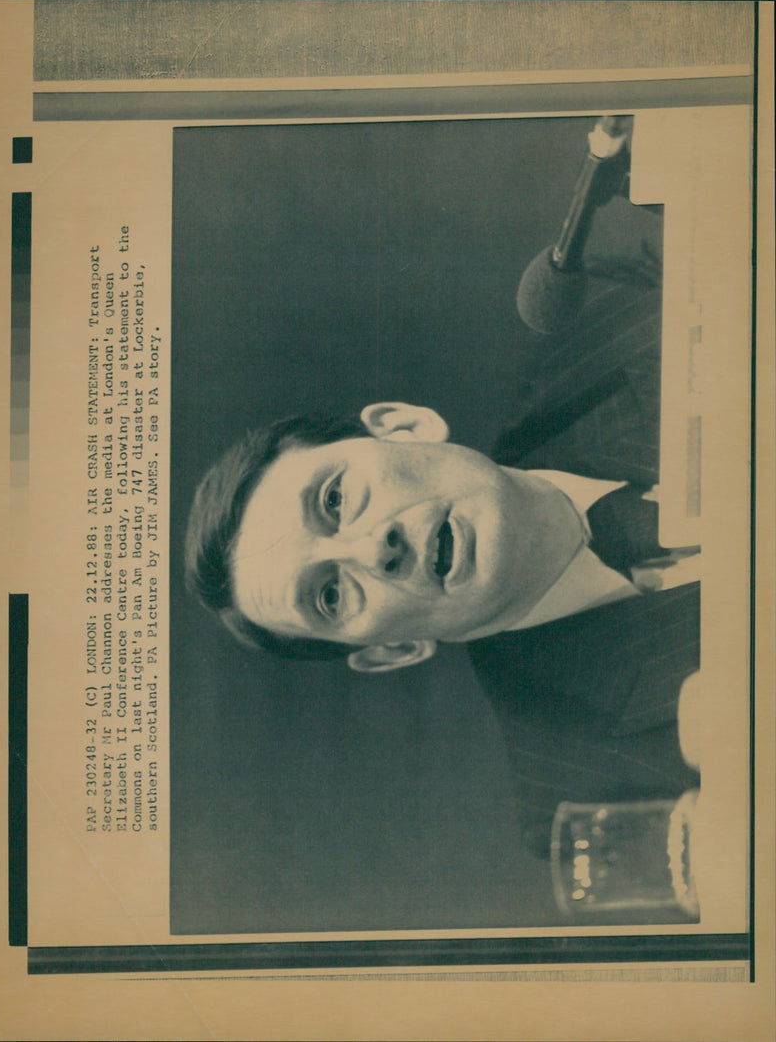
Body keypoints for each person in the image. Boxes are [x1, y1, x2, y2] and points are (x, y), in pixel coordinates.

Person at [185, 275, 701, 857]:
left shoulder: (616, 312)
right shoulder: (584, 803)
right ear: (393, 652)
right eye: (329, 595)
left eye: (334, 500)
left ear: (404, 428)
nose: (372, 550)